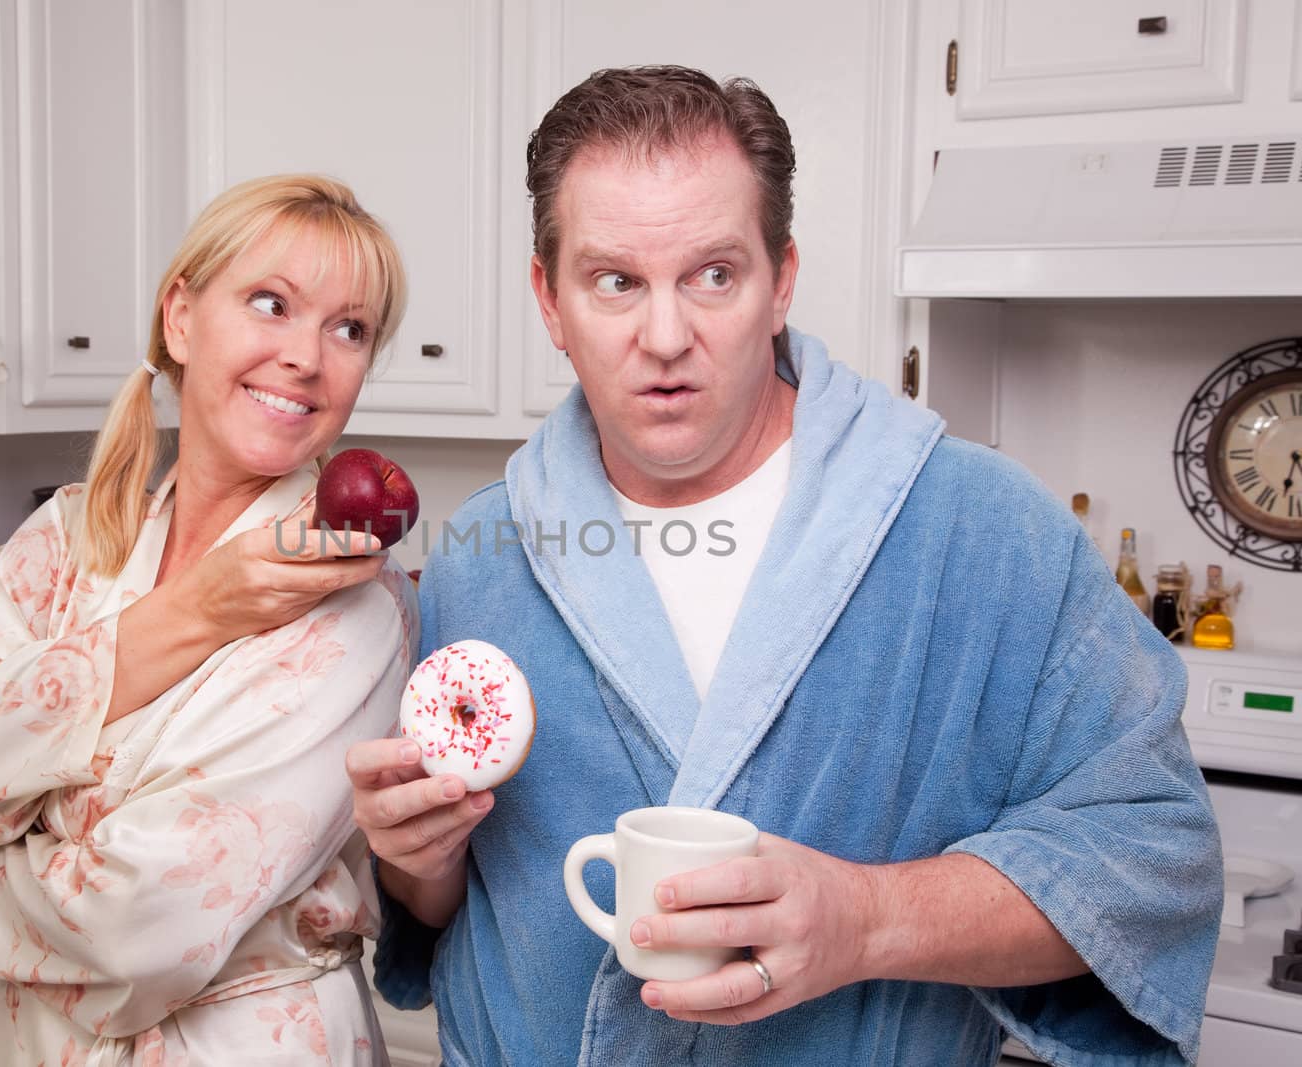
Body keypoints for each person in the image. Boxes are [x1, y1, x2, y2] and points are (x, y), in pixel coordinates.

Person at [347, 67, 1222, 1066]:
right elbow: (453, 902)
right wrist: (417, 857)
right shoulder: (482, 556)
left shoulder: (983, 535)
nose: (665, 336)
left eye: (713, 274)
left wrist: (869, 916)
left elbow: (1153, 859)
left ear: (782, 278)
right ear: (550, 299)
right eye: (615, 281)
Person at [0, 175, 417, 1065]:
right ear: (181, 317)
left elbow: (137, 923)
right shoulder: (65, 537)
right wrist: (197, 609)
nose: (307, 356)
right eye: (271, 303)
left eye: (350, 328)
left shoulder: (356, 606)